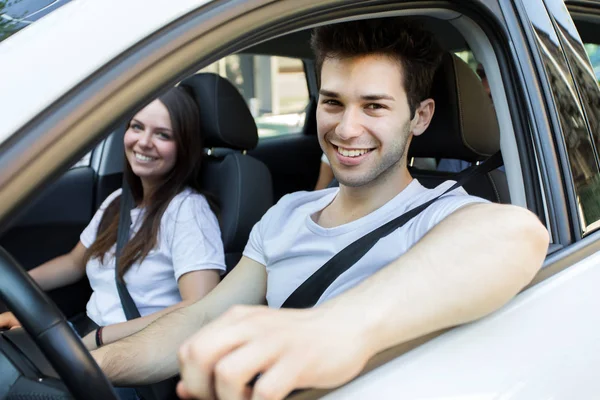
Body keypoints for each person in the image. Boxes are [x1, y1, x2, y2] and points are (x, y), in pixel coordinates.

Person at [92, 18, 548, 400]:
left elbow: (516, 234)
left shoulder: (441, 214)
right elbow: (203, 317)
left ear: (420, 117)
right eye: (332, 102)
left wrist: (334, 330)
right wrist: (88, 364)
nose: (346, 128)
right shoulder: (287, 213)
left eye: (374, 106)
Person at [0, 87, 226, 351]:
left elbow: (200, 305)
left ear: (184, 147)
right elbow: (74, 263)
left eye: (163, 135)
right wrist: (11, 288)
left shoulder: (187, 210)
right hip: (86, 335)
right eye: (137, 127)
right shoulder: (119, 200)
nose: (143, 141)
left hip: (133, 354)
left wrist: (101, 338)